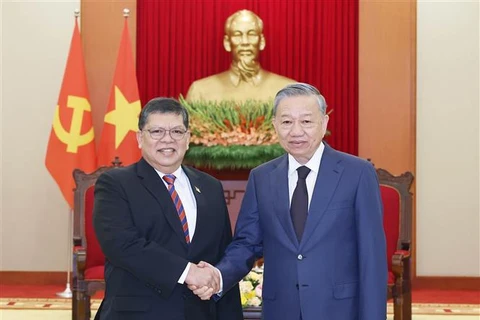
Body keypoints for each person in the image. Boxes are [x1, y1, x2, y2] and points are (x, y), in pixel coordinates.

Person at [191, 83, 388, 320]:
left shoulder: (357, 173)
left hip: (339, 310)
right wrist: (218, 276)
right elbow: (247, 243)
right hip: (281, 309)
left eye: (306, 121)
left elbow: (371, 256)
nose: (296, 131)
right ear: (274, 125)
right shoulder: (261, 177)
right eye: (286, 122)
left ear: (324, 123)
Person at [92, 97, 243, 320]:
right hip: (138, 313)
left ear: (188, 139)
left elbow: (221, 252)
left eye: (177, 132)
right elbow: (122, 245)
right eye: (157, 132)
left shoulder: (210, 186)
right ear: (140, 138)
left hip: (199, 313)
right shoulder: (115, 184)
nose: (167, 140)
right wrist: (188, 272)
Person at [186, 9, 296, 103]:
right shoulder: (201, 91)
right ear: (227, 43)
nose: (245, 42)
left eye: (251, 34)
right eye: (237, 35)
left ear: (261, 41)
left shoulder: (288, 90)